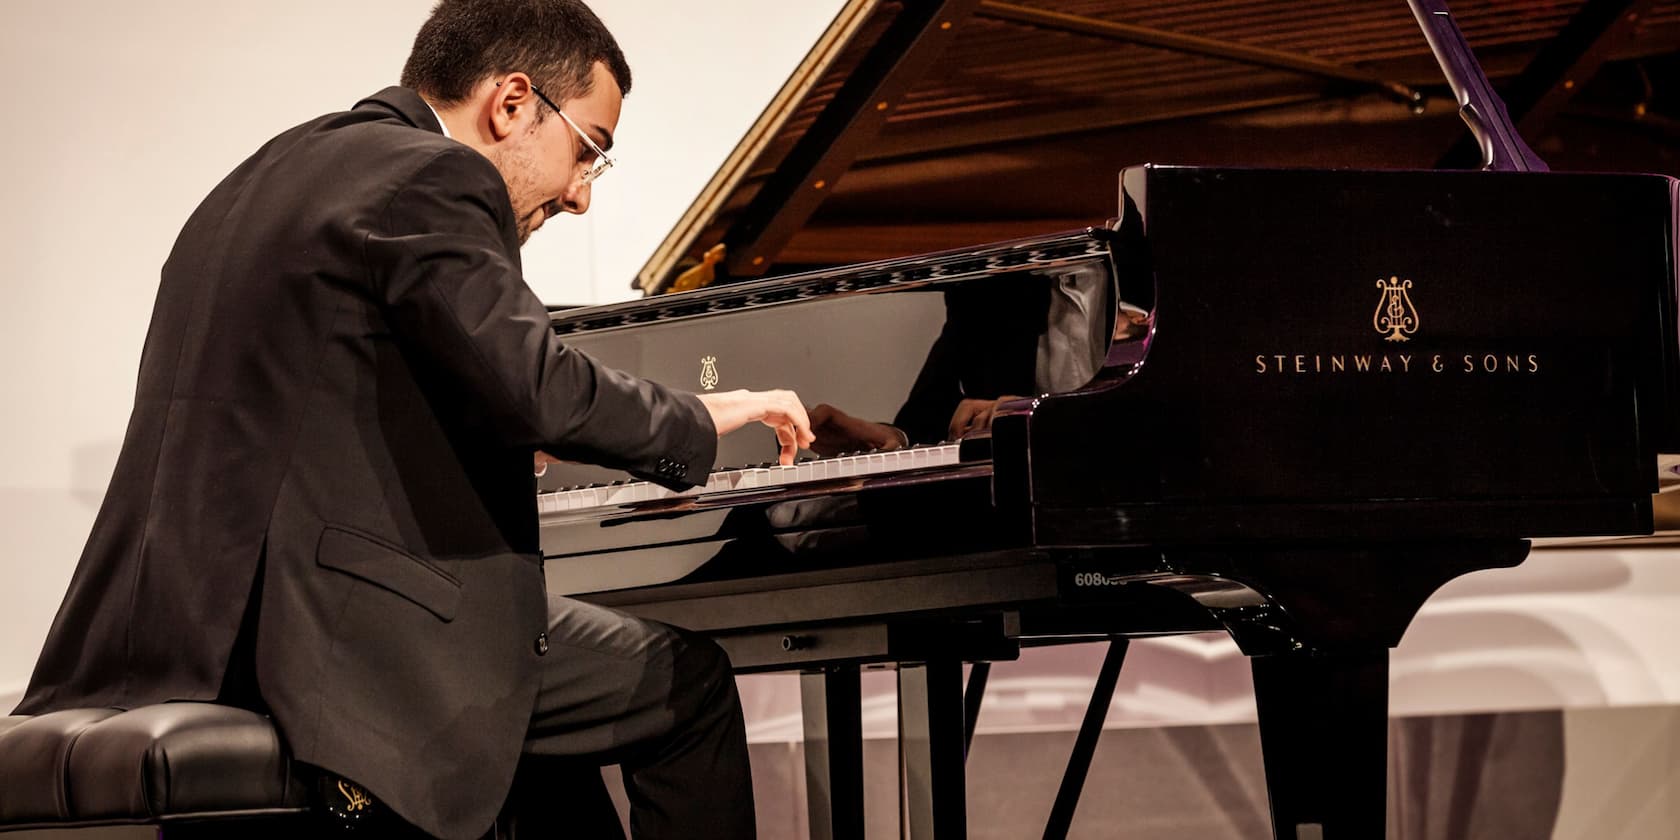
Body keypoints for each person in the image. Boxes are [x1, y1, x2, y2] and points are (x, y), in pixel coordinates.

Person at [12, 1, 812, 837]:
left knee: (537, 733)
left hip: (181, 635)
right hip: (327, 640)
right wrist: (705, 416)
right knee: (688, 688)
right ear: (511, 104)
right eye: (589, 151)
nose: (580, 195)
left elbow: (327, 399)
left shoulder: (262, 176)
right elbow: (537, 388)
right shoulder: (435, 176)